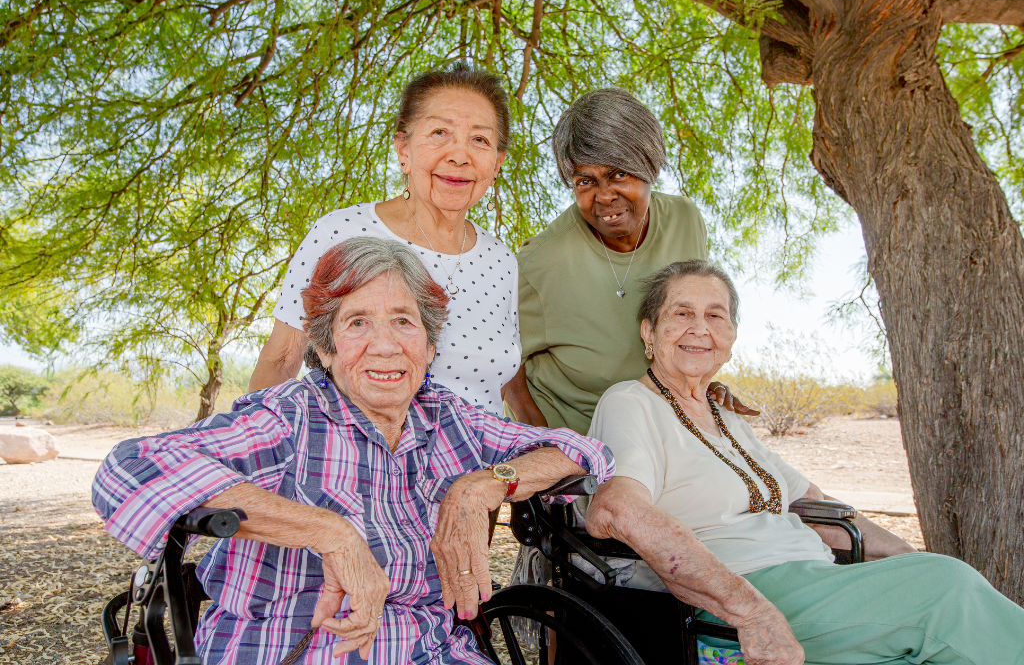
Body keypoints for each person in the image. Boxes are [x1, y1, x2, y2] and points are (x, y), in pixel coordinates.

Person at [93, 238, 614, 665]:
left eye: (404, 322)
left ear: (430, 347)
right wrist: (330, 533)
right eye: (358, 322)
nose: (385, 345)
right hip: (294, 649)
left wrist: (483, 484)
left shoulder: (447, 417)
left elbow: (581, 449)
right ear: (325, 347)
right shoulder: (290, 417)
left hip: (431, 653)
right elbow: (129, 468)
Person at [584, 259, 1024, 665]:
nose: (700, 328)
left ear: (732, 336)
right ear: (648, 331)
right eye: (682, 314)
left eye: (715, 315)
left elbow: (816, 504)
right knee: (947, 590)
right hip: (740, 589)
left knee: (933, 606)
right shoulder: (630, 403)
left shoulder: (730, 420)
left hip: (813, 578)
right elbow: (618, 509)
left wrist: (906, 561)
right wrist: (751, 611)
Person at [251, 62, 519, 417]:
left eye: (480, 140)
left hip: (481, 463)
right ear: (404, 150)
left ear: (497, 163)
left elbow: (500, 384)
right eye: (440, 133)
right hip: (362, 463)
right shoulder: (340, 231)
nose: (459, 155)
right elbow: (283, 360)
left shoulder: (502, 261)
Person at [502, 87, 749, 434]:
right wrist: (543, 440)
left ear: (649, 164)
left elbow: (690, 323)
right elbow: (502, 359)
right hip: (582, 444)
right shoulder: (540, 262)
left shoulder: (685, 221)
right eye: (586, 181)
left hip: (666, 428)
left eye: (619, 174)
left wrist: (702, 389)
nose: (604, 196)